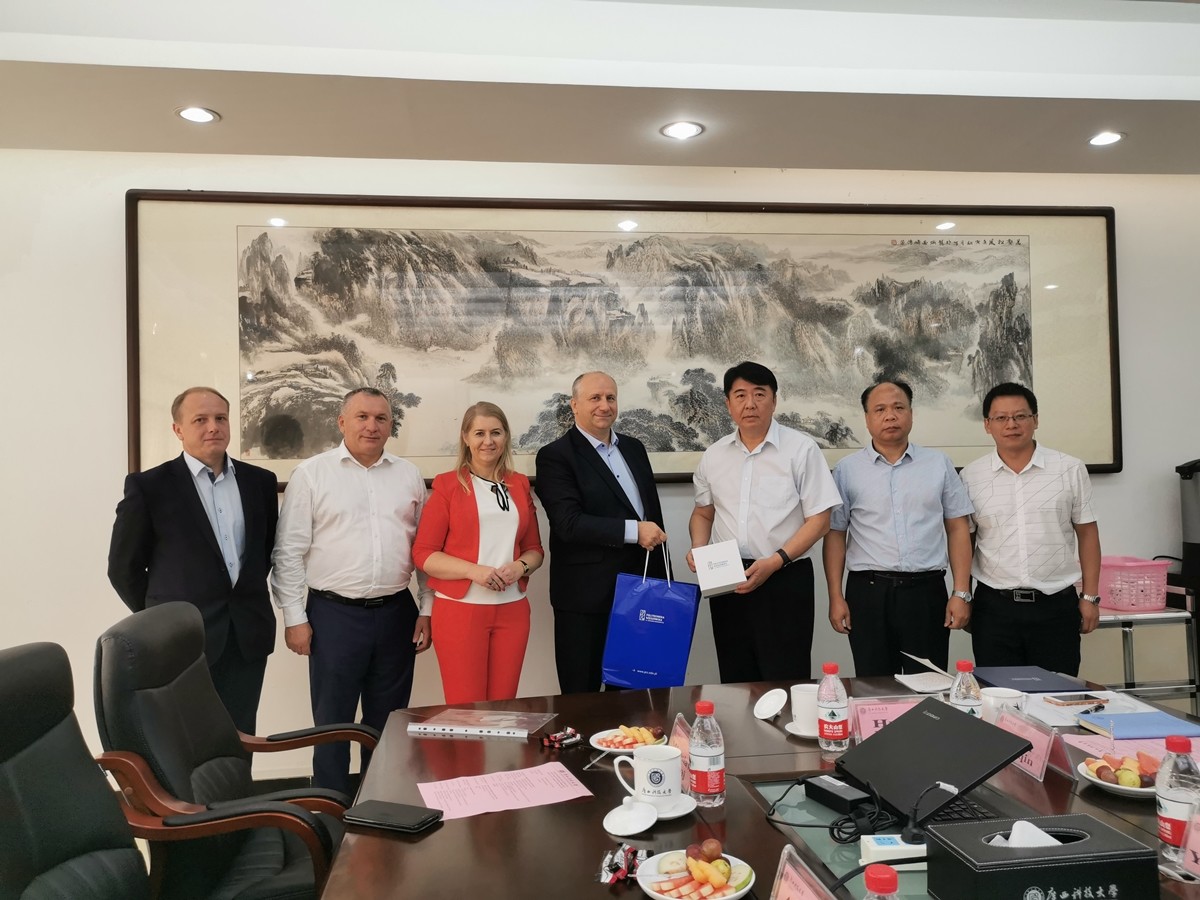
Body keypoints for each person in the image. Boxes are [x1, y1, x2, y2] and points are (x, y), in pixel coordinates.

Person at [271, 387, 433, 792]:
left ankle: (379, 804)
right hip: (333, 616)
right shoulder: (312, 474)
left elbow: (424, 550)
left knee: (388, 723)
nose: (371, 426)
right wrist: (294, 618)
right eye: (362, 417)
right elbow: (288, 552)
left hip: (397, 613)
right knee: (333, 724)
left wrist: (426, 608)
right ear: (342, 422)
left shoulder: (408, 475)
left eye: (381, 418)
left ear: (390, 426)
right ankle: (331, 810)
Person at [108, 386, 278, 735]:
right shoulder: (149, 487)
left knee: (241, 738)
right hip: (181, 641)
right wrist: (161, 618)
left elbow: (264, 552)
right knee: (184, 741)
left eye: (220, 418)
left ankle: (239, 777)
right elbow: (123, 569)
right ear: (178, 429)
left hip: (246, 636)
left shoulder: (260, 482)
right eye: (200, 420)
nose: (213, 427)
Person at [687, 361, 841, 682]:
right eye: (740, 395)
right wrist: (699, 548)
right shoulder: (714, 455)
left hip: (784, 575)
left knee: (785, 676)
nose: (750, 404)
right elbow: (703, 512)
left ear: (774, 400)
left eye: (759, 394)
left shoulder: (801, 450)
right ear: (728, 404)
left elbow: (820, 520)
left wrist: (776, 560)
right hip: (728, 577)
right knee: (735, 678)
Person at [822, 380, 974, 676]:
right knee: (874, 685)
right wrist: (835, 596)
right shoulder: (847, 469)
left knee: (929, 683)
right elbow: (836, 534)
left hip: (926, 592)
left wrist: (961, 592)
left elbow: (958, 528)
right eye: (880, 409)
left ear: (911, 414)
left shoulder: (938, 464)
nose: (890, 416)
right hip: (868, 593)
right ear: (867, 418)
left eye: (898, 408)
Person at [534, 371, 668, 693]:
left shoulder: (634, 449)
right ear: (574, 405)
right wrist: (635, 531)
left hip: (641, 593)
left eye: (610, 398)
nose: (604, 405)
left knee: (637, 696)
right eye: (595, 398)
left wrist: (664, 582)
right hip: (585, 599)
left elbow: (653, 518)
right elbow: (568, 523)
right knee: (582, 698)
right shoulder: (555, 456)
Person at [959, 382, 1102, 676]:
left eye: (1020, 416)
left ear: (1035, 420)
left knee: (1056, 695)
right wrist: (963, 595)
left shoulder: (1069, 469)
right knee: (999, 696)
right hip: (994, 608)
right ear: (987, 424)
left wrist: (1090, 597)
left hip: (1056, 606)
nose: (1011, 424)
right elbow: (966, 540)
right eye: (1001, 418)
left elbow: (1088, 534)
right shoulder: (971, 476)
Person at [413, 402, 545, 704]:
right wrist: (475, 571)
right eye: (479, 433)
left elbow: (535, 550)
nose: (488, 441)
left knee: (504, 709)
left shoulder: (519, 484)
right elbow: (423, 554)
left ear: (506, 436)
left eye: (496, 432)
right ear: (465, 437)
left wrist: (520, 567)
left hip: (513, 611)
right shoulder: (447, 485)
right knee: (467, 711)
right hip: (461, 612)